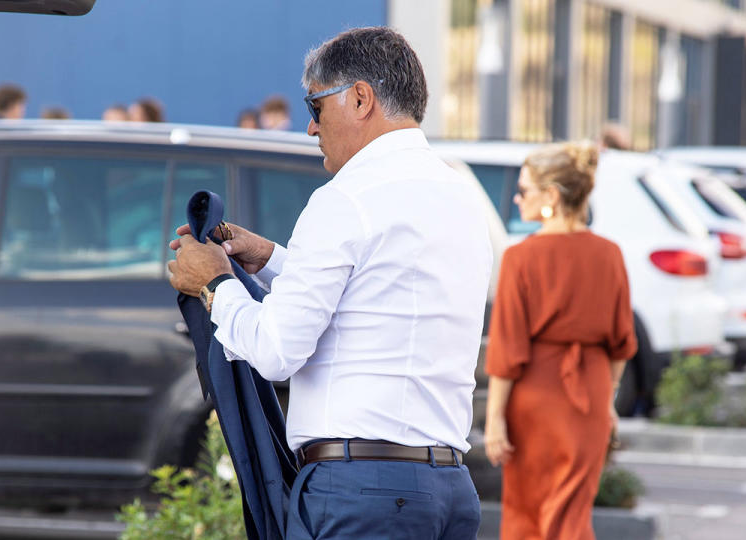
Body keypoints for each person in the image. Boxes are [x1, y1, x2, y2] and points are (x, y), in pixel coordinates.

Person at [168, 26, 491, 539]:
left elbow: (276, 351)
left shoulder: (347, 197)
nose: (311, 128)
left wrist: (213, 285)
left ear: (360, 98)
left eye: (315, 107)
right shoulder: (461, 197)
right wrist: (273, 258)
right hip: (448, 488)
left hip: (361, 492)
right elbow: (378, 297)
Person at [483, 141, 637, 540]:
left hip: (535, 397)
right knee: (570, 513)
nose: (517, 200)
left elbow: (507, 347)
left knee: (526, 512)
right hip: (589, 393)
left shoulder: (522, 258)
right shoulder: (610, 255)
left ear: (551, 195)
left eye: (524, 190)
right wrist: (606, 401)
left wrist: (495, 417)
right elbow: (622, 342)